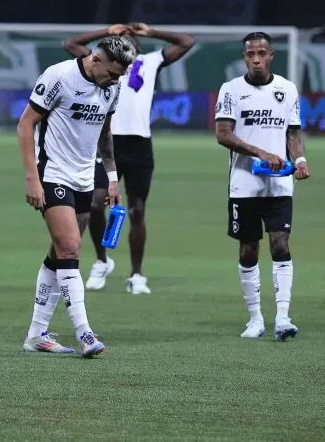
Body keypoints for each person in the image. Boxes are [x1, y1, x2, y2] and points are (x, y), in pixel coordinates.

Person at [16, 35, 136, 356]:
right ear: (96, 60)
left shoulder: (113, 86)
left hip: (85, 177)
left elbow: (105, 133)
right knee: (70, 246)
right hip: (52, 172)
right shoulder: (59, 77)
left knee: (60, 253)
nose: (117, 79)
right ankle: (85, 333)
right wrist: (31, 178)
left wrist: (111, 177)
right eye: (113, 72)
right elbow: (26, 124)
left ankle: (36, 334)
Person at [63, 23, 195, 294]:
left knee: (136, 211)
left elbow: (186, 41)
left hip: (138, 144)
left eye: (130, 37)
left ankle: (136, 275)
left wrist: (153, 32)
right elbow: (71, 44)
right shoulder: (103, 61)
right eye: (119, 38)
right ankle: (101, 261)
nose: (126, 40)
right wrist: (105, 31)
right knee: (96, 204)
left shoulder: (151, 60)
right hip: (105, 141)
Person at [214, 32, 308, 341]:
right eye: (250, 53)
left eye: (262, 53)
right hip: (244, 185)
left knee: (281, 244)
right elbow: (223, 134)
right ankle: (255, 319)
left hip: (279, 186)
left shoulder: (287, 89)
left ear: (271, 56)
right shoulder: (231, 90)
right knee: (249, 248)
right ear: (245, 57)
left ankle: (283, 316)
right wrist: (262, 153)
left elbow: (293, 133)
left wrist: (301, 159)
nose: (256, 58)